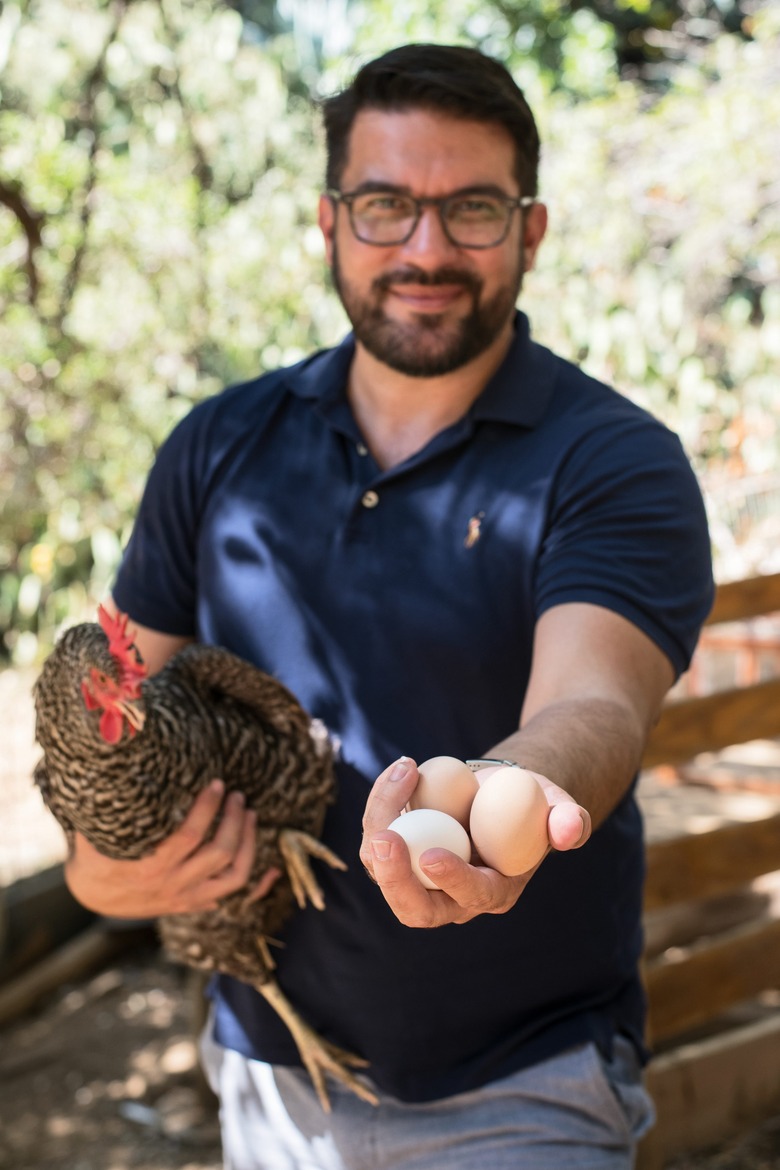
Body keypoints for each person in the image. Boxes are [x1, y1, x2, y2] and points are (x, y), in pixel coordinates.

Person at [64, 43, 714, 1169]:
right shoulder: (218, 449)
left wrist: (517, 796)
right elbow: (118, 698)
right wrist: (102, 867)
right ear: (329, 224)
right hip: (274, 1074)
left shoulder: (612, 460)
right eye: (384, 206)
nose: (426, 248)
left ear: (531, 229)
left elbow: (596, 703)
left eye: (471, 208)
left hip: (528, 1084)